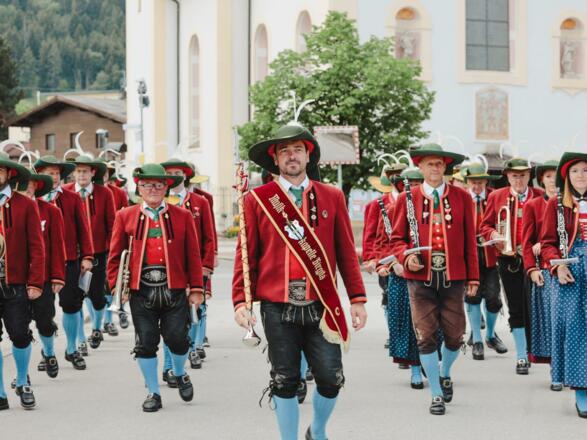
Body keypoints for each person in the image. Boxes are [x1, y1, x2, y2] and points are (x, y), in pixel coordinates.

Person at [232, 124, 367, 439]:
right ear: (275, 159)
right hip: (277, 306)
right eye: (284, 151)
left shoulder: (332, 196)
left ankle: (317, 429)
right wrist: (240, 301)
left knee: (331, 379)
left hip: (321, 304)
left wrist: (357, 299)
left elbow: (346, 253)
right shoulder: (257, 200)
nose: (291, 156)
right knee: (284, 381)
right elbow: (245, 255)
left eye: (297, 150)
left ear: (308, 156)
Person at [388, 143, 479, 415]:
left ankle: (443, 371)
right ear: (420, 167)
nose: (435, 168)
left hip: (454, 276)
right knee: (425, 336)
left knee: (455, 335)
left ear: (445, 167)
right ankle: (436, 394)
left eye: (439, 164)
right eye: (430, 164)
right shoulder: (408, 198)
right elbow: (396, 239)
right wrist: (406, 257)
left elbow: (470, 242)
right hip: (420, 278)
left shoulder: (462, 198)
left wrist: (473, 277)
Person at [107, 163, 205, 412]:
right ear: (139, 188)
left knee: (178, 339)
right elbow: (115, 256)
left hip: (174, 288)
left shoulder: (182, 216)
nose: (153, 189)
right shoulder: (125, 215)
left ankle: (180, 372)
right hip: (141, 290)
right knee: (146, 343)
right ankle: (153, 392)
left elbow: (193, 255)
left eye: (159, 185)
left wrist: (196, 288)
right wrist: (116, 288)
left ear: (166, 188)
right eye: (147, 184)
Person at [481, 158, 544, 374]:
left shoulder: (539, 196)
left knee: (537, 307)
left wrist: (542, 242)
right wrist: (494, 235)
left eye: (523, 175)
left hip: (537, 259)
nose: (518, 180)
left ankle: (538, 350)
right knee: (516, 306)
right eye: (514, 176)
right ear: (507, 176)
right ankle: (521, 355)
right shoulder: (496, 196)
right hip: (509, 259)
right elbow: (485, 226)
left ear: (529, 176)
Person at [540, 152, 587, 418]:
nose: (581, 176)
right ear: (567, 177)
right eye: (575, 171)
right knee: (575, 331)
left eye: (586, 170)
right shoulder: (556, 204)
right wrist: (557, 266)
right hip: (569, 271)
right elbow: (547, 243)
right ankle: (582, 392)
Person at [35, 155, 93, 366]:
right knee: (44, 310)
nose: (55, 177)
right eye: (50, 173)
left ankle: (72, 348)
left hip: (69, 260)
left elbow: (83, 230)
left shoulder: (72, 198)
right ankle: (48, 352)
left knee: (71, 305)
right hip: (41, 265)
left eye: (57, 173)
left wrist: (87, 256)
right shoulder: (33, 200)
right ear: (40, 176)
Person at [160, 158, 215, 381]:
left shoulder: (200, 202)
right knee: (169, 318)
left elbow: (209, 236)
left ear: (185, 175)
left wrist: (206, 265)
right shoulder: (160, 201)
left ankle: (192, 347)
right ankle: (168, 365)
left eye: (178, 173)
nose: (174, 177)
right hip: (168, 269)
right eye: (169, 173)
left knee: (195, 310)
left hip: (195, 266)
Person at [0, 153, 45, 410]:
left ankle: (21, 380)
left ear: (9, 174)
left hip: (15, 282)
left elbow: (37, 247)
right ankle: (0, 391)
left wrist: (35, 282)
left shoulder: (25, 205)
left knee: (20, 334)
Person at [376, 167, 427, 388]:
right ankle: (415, 368)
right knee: (409, 323)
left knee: (433, 324)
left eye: (417, 184)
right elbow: (382, 244)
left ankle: (431, 363)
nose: (413, 189)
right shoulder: (391, 209)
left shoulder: (430, 209)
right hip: (400, 275)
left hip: (428, 273)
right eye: (409, 185)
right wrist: (392, 263)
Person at [64, 155, 115, 349]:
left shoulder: (104, 193)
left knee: (97, 296)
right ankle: (80, 340)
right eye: (78, 171)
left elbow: (112, 225)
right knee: (74, 299)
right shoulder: (67, 192)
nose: (81, 175)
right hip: (72, 255)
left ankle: (96, 327)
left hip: (98, 254)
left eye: (85, 171)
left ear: (93, 173)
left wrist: (111, 252)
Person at [19, 172, 66, 379]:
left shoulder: (51, 211)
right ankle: (22, 372)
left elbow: (57, 246)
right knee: (19, 326)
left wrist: (58, 276)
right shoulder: (8, 210)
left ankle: (48, 352)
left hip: (44, 277)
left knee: (45, 321)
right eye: (22, 185)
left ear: (37, 187)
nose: (26, 189)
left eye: (30, 185)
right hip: (16, 278)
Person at [522, 160, 561, 390]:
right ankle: (555, 370)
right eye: (548, 176)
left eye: (556, 176)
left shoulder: (572, 203)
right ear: (541, 180)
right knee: (551, 323)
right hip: (545, 270)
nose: (553, 181)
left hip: (572, 268)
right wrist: (532, 269)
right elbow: (527, 242)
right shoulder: (533, 205)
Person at [462, 161, 506, 360]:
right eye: (473, 182)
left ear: (486, 182)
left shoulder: (494, 198)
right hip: (468, 256)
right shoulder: (463, 198)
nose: (477, 186)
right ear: (468, 182)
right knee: (472, 297)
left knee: (494, 299)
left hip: (491, 255)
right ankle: (477, 339)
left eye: (480, 182)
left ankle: (490, 335)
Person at [364, 161, 405, 350]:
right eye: (393, 175)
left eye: (400, 174)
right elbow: (370, 233)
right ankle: (393, 333)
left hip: (406, 257)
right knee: (389, 296)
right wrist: (371, 259)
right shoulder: (378, 204)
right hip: (385, 258)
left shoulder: (413, 199)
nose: (397, 178)